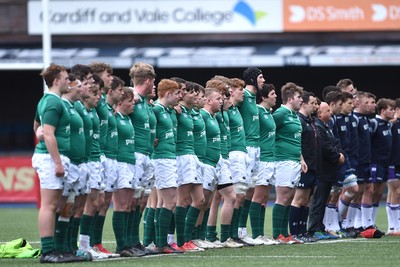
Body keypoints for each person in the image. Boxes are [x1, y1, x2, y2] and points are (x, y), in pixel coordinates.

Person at [32, 64, 75, 263]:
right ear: (56, 80)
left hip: (55, 157)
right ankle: (48, 252)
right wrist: (57, 162)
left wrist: (38, 132)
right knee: (49, 206)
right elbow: (47, 133)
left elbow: (38, 127)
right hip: (50, 159)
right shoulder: (52, 102)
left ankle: (56, 248)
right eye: (66, 78)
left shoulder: (53, 101)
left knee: (58, 205)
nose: (69, 81)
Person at [271, 82, 307, 244]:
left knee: (289, 196)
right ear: (290, 99)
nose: (302, 100)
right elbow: (268, 133)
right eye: (299, 97)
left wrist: (301, 159)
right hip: (282, 160)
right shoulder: (280, 114)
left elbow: (295, 140)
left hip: (293, 160)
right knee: (283, 197)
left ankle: (285, 234)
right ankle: (277, 234)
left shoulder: (294, 115)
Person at [128, 62, 157, 253]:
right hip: (135, 154)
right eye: (153, 82)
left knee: (142, 201)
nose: (155, 85)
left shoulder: (146, 101)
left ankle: (134, 240)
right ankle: (127, 241)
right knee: (131, 200)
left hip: (147, 155)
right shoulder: (130, 97)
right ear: (147, 81)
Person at [236, 67, 265, 246]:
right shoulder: (243, 95)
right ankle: (235, 231)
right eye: (261, 77)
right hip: (245, 146)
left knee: (251, 190)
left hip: (256, 148)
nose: (263, 80)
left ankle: (242, 230)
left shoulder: (253, 98)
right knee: (240, 191)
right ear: (253, 79)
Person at [153, 79, 183, 254]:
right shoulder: (156, 109)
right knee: (169, 201)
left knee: (166, 201)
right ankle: (160, 243)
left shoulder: (169, 110)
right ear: (168, 94)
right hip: (161, 158)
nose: (179, 96)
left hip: (170, 157)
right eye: (177, 93)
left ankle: (160, 242)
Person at [308, 102, 345, 237]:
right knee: (318, 200)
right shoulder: (318, 126)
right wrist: (337, 156)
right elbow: (325, 147)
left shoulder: (326, 127)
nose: (330, 113)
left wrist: (340, 154)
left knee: (323, 200)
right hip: (322, 170)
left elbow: (335, 143)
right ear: (320, 114)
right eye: (327, 110)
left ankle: (320, 227)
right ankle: (314, 228)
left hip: (329, 170)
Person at [113, 87, 142, 257]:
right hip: (121, 162)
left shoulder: (128, 118)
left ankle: (130, 242)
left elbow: (138, 97)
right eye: (130, 102)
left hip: (131, 162)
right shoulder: (115, 118)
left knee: (131, 203)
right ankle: (121, 245)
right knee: (122, 205)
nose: (133, 104)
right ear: (119, 103)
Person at [250, 83, 280, 245]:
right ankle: (256, 234)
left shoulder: (268, 113)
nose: (276, 96)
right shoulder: (257, 111)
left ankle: (260, 233)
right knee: (258, 195)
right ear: (263, 97)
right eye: (273, 93)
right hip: (262, 158)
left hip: (271, 158)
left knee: (265, 196)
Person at [289, 91, 319, 242]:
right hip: (303, 166)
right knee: (299, 199)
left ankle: (302, 231)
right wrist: (301, 161)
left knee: (307, 200)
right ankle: (295, 233)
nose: (315, 106)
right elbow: (297, 144)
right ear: (305, 104)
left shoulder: (310, 121)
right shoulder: (299, 120)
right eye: (313, 103)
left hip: (313, 165)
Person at [370, 98, 395, 234]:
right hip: (375, 163)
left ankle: (372, 223)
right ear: (383, 111)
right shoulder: (374, 124)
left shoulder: (389, 125)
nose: (393, 112)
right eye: (391, 109)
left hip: (386, 164)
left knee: (379, 194)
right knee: (371, 192)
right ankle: (365, 223)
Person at [387, 98, 400, 235]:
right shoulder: (391, 124)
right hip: (391, 164)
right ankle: (394, 226)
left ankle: (392, 227)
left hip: (398, 163)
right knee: (395, 192)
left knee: (395, 193)